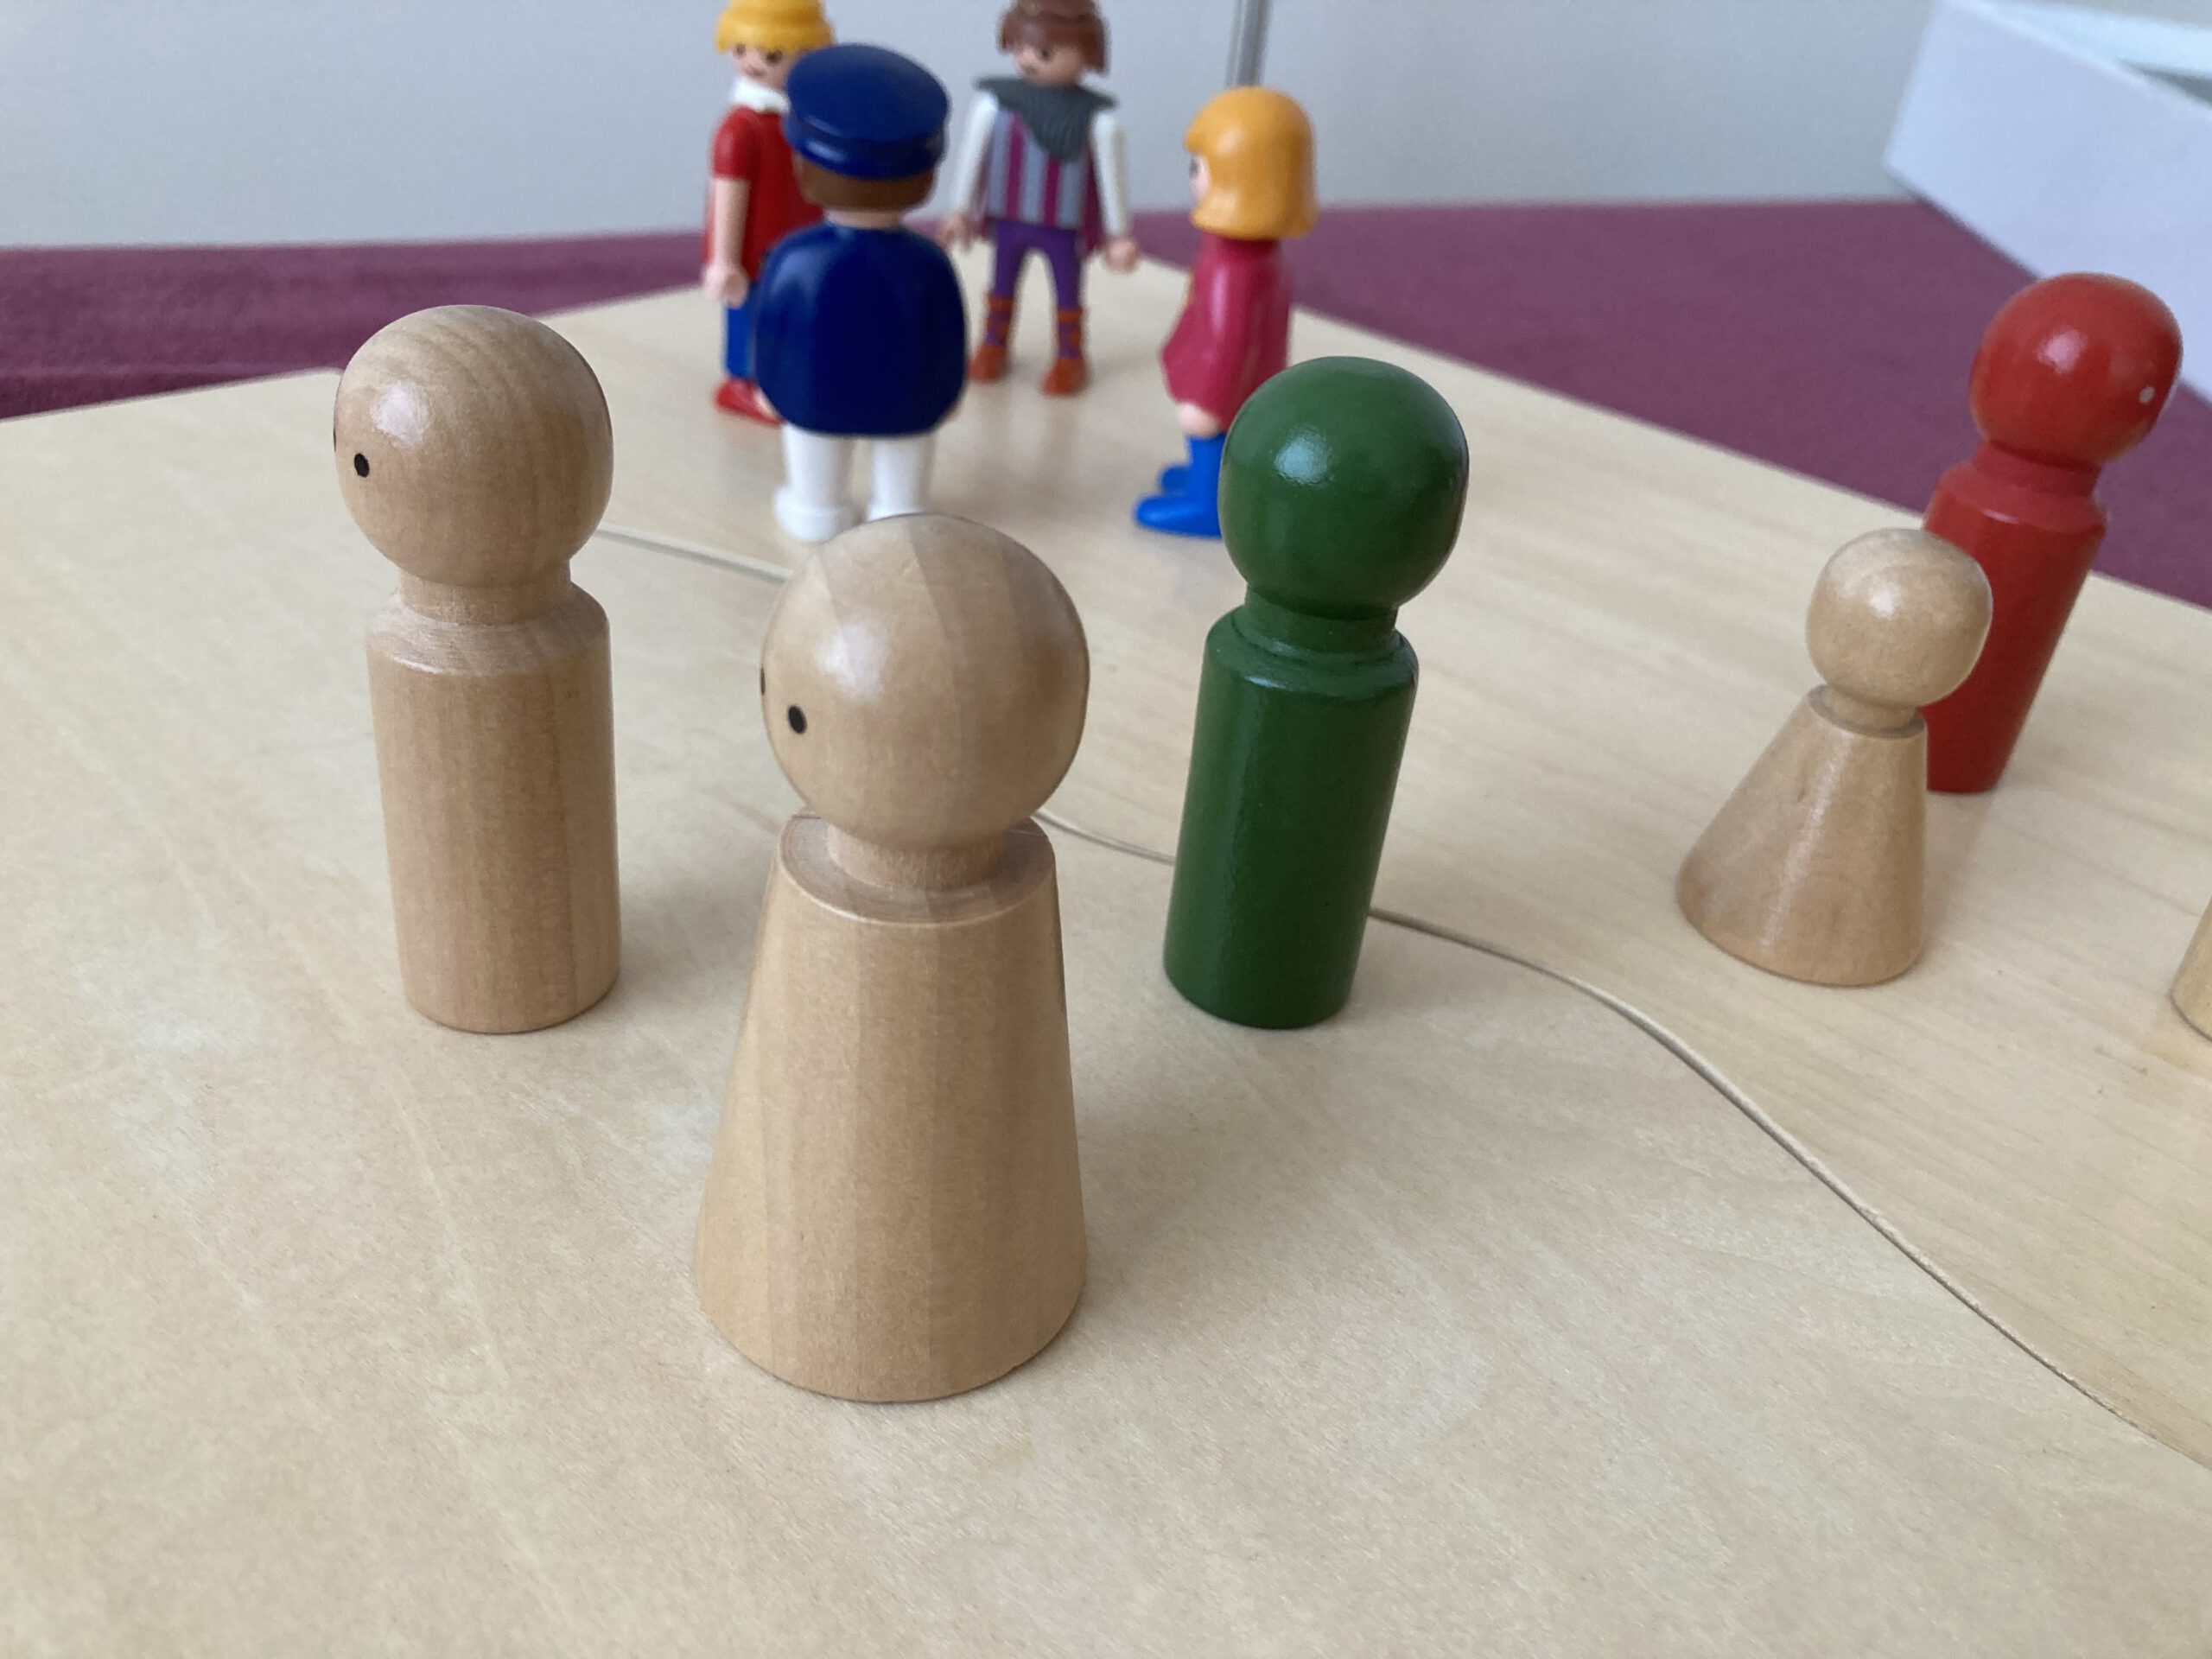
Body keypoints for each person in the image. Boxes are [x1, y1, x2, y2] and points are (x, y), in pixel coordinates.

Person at [751, 44, 969, 543]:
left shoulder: (794, 258)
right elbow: (946, 334)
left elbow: (773, 329)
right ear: (925, 178)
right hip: (908, 398)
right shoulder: (929, 262)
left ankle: (816, 510)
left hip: (814, 396)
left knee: (814, 458)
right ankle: (899, 512)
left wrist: (768, 384)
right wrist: (949, 389)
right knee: (904, 464)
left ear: (804, 169)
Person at [1135, 87, 1319, 539]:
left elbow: (1229, 340)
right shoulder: (1256, 255)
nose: (1193, 178)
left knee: (1209, 430)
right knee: (1221, 433)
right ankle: (1209, 481)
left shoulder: (1234, 268)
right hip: (1241, 372)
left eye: (1199, 167)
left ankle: (1208, 502)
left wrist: (1209, 399)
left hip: (1220, 378)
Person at [939, 0, 1139, 397]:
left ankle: (1070, 356)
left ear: (1087, 51)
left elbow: (1110, 176)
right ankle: (994, 344)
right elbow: (971, 157)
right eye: (1020, 48)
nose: (1028, 60)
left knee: (1067, 291)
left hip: (1062, 226)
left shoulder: (1096, 119)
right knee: (1001, 285)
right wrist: (960, 211)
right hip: (1008, 219)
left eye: (1044, 52)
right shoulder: (993, 104)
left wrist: (1119, 234)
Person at [701, 0, 835, 424]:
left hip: (798, 245)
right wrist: (723, 261)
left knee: (792, 315)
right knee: (751, 319)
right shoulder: (740, 129)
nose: (752, 63)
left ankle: (782, 376)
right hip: (753, 256)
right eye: (740, 49)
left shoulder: (801, 120)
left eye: (772, 55)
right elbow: (728, 195)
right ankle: (742, 383)